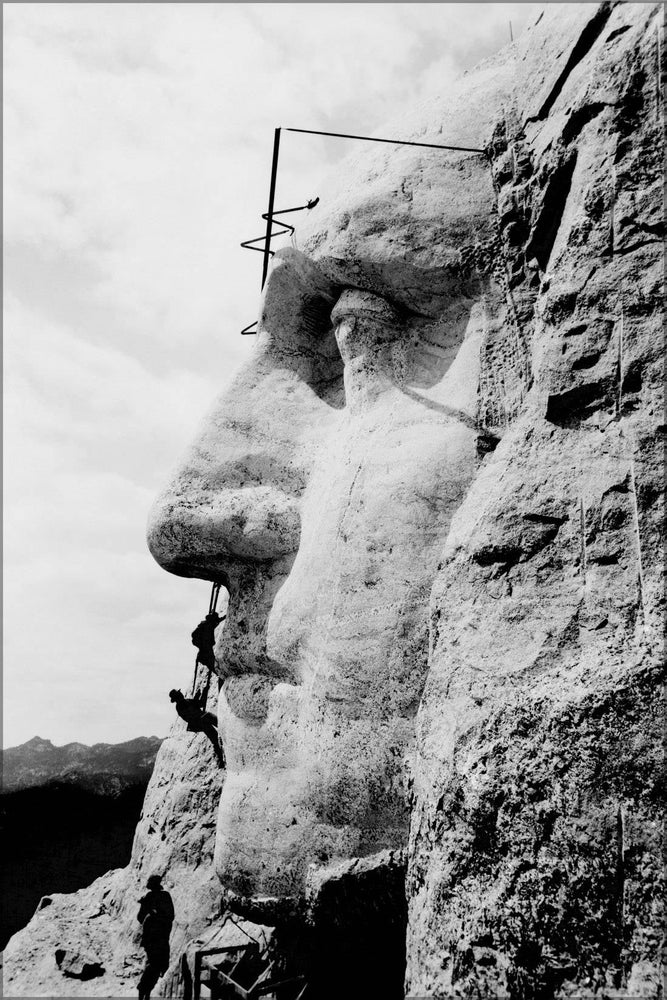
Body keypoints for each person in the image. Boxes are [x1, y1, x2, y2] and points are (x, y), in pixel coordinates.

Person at [137, 875, 174, 1000]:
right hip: (157, 938)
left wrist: (151, 911)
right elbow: (141, 917)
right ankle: (143, 991)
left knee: (155, 966)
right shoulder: (161, 896)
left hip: (157, 938)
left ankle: (144, 992)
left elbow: (140, 918)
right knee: (155, 966)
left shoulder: (157, 897)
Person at [169, 688, 225, 768]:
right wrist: (199, 697)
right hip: (200, 722)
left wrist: (202, 694)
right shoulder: (180, 706)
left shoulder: (185, 702)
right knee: (214, 737)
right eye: (179, 694)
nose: (181, 694)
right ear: (177, 698)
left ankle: (221, 759)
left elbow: (200, 704)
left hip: (203, 719)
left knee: (215, 734)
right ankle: (221, 760)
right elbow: (193, 713)